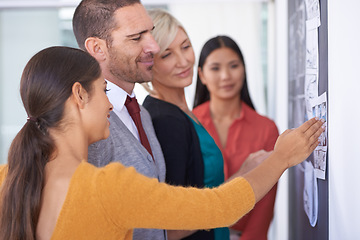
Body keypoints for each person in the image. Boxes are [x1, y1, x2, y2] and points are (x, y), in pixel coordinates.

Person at [0, 46, 324, 240]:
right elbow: (221, 209)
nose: (110, 105)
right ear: (79, 94)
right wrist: (281, 157)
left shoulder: (7, 178)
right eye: (103, 90)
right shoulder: (106, 186)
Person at [72, 1, 167, 239]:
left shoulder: (141, 113)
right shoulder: (84, 127)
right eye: (136, 38)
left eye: (150, 33)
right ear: (97, 48)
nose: (154, 46)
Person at [142, 9, 230, 240]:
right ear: (149, 63)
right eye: (167, 55)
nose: (183, 61)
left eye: (185, 46)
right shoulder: (166, 121)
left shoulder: (181, 111)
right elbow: (172, 224)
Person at [193, 35, 279, 240]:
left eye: (233, 66)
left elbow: (265, 203)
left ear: (244, 70)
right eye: (215, 68)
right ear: (201, 75)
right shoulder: (189, 123)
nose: (225, 76)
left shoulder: (266, 129)